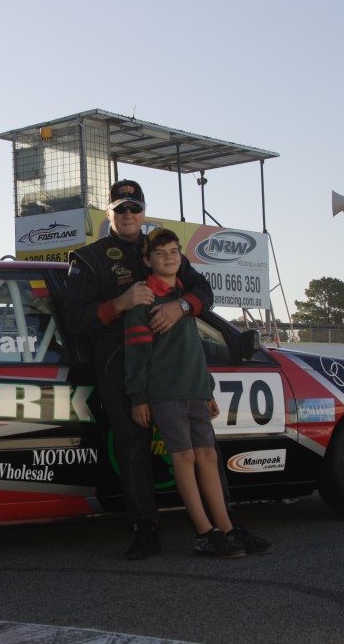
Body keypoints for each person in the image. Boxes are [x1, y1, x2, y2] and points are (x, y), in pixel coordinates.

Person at [63, 179, 271, 560]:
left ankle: (227, 527)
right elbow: (75, 319)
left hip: (178, 370)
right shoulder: (89, 258)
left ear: (143, 212)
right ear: (108, 213)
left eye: (135, 208)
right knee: (133, 447)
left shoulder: (160, 247)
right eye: (120, 208)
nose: (128, 215)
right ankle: (146, 527)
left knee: (204, 449)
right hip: (124, 367)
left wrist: (183, 307)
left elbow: (203, 292)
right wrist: (120, 303)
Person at [124, 227, 246, 557]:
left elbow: (195, 350)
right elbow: (136, 355)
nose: (169, 258)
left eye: (175, 252)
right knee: (185, 457)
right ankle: (205, 531)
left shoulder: (185, 301)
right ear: (148, 261)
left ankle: (228, 529)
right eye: (160, 253)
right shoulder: (144, 300)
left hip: (195, 389)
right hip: (165, 394)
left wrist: (207, 390)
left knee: (208, 456)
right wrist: (139, 397)